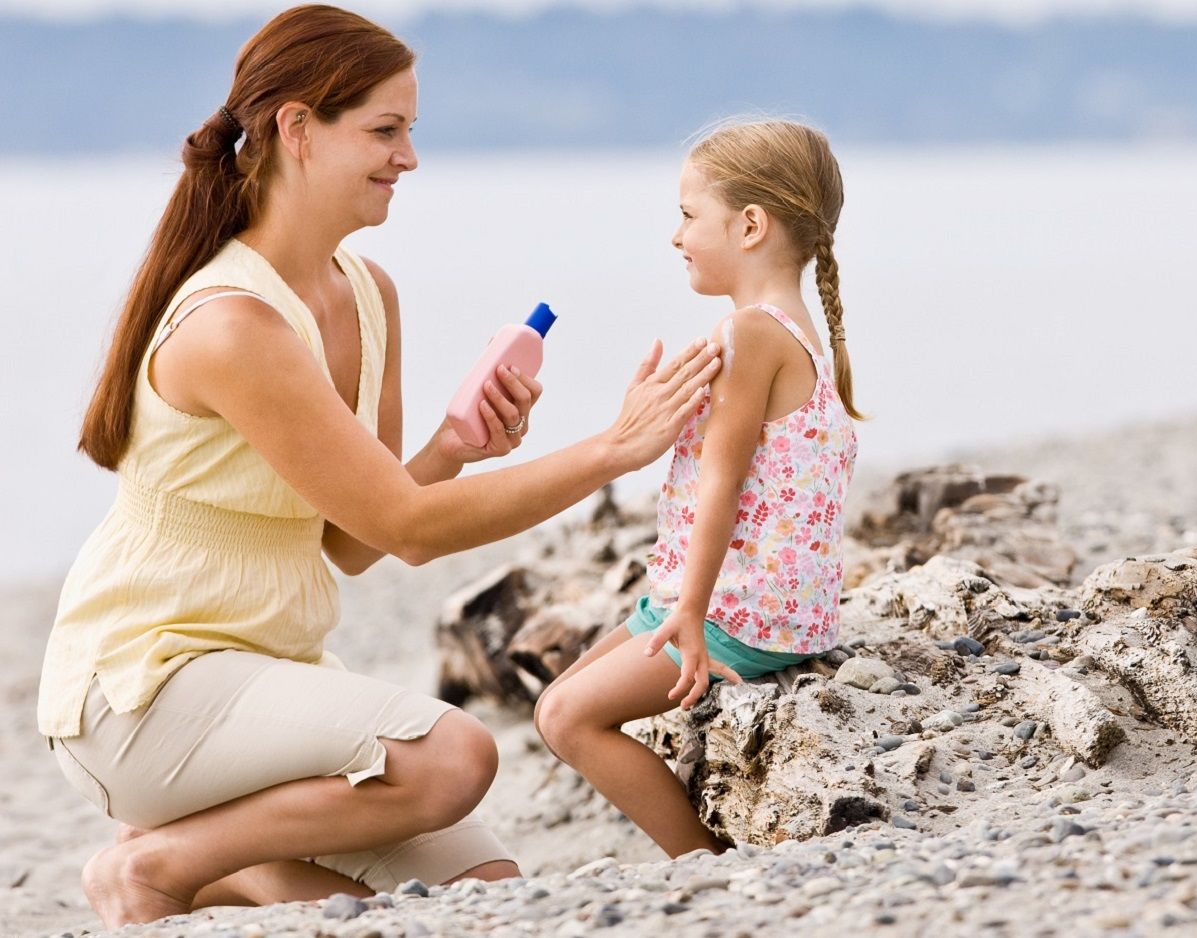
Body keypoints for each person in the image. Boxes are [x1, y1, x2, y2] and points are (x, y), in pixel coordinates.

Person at [36, 4, 721, 928]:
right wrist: (613, 448)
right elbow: (409, 529)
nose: (408, 158)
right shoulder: (234, 325)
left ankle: (222, 869)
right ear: (296, 130)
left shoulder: (368, 295)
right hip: (143, 693)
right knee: (453, 758)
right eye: (385, 131)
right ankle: (151, 866)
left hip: (264, 678)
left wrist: (452, 450)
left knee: (484, 902)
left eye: (411, 132)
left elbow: (358, 543)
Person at [534, 119, 864, 857]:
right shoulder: (793, 331)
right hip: (760, 605)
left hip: (734, 613)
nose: (674, 236)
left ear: (750, 225)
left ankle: (701, 863)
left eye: (687, 215)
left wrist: (687, 610)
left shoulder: (751, 333)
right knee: (557, 701)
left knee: (565, 721)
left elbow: (723, 480)